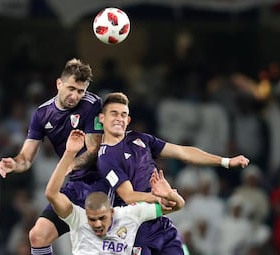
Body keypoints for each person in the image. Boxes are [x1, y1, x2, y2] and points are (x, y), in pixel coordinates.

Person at [97, 92, 250, 255]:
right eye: (113, 114)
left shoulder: (140, 139)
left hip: (160, 222)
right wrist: (160, 197)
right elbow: (128, 195)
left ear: (128, 120)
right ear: (102, 118)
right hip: (133, 229)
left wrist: (225, 161)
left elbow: (183, 152)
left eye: (123, 115)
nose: (119, 118)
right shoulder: (106, 157)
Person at [0, 58, 105, 255]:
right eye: (71, 88)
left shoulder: (92, 104)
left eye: (81, 91)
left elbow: (93, 149)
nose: (75, 96)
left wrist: (68, 166)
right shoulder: (42, 114)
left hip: (102, 184)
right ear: (59, 83)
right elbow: (26, 158)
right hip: (75, 186)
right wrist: (14, 163)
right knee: (38, 235)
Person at [45, 129, 185, 255]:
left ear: (112, 212)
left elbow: (176, 205)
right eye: (92, 219)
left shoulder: (129, 215)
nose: (97, 224)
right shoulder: (77, 219)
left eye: (102, 218)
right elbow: (51, 194)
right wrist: (69, 153)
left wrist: (169, 194)